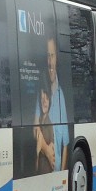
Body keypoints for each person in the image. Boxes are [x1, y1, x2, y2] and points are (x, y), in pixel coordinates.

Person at [34, 37, 68, 171]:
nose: (50, 62)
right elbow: (34, 128)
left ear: (56, 59)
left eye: (52, 56)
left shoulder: (62, 95)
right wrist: (47, 150)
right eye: (47, 57)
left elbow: (65, 143)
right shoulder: (41, 93)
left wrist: (63, 176)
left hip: (57, 169)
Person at [34, 76, 55, 174]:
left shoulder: (49, 124)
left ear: (50, 101)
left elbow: (52, 154)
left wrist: (40, 149)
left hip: (45, 170)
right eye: (42, 98)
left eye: (47, 98)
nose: (44, 101)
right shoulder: (39, 121)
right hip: (40, 170)